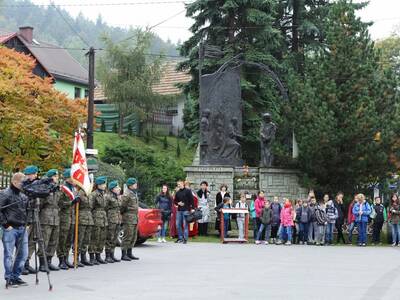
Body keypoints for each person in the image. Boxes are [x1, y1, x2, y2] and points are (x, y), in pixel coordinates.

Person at [0, 172, 29, 287]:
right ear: (14, 182)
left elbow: (26, 210)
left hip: (22, 228)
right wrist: (6, 224)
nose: (24, 184)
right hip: (10, 229)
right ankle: (9, 278)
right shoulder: (5, 193)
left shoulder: (23, 195)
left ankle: (15, 276)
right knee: (9, 255)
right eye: (22, 182)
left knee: (23, 254)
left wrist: (28, 223)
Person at [37, 169, 60, 272]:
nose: (57, 178)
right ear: (50, 177)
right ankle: (42, 263)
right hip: (45, 218)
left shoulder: (57, 189)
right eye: (55, 176)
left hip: (56, 218)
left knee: (53, 241)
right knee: (44, 241)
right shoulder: (45, 188)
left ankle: (49, 261)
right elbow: (39, 204)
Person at [57, 168, 76, 270]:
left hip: (71, 216)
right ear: (68, 178)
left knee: (69, 239)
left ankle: (66, 258)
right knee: (62, 239)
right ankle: (61, 260)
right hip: (63, 217)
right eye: (72, 177)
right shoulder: (63, 188)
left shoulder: (73, 188)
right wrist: (70, 203)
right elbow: (59, 203)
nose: (74, 179)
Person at [22, 165, 39, 275]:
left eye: (35, 174)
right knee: (23, 242)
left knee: (32, 241)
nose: (34, 176)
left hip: (34, 217)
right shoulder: (23, 187)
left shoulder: (37, 185)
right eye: (33, 174)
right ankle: (21, 264)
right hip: (25, 218)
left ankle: (27, 262)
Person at [89, 176, 108, 265]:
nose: (104, 185)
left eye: (105, 184)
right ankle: (92, 257)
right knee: (95, 238)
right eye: (103, 184)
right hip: (96, 217)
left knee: (102, 238)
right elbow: (90, 207)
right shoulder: (94, 194)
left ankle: (98, 255)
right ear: (98, 185)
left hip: (103, 218)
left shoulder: (104, 194)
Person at [120, 178, 140, 260]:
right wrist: (124, 214)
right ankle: (124, 254)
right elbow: (122, 206)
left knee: (133, 236)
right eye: (134, 184)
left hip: (134, 217)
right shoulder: (127, 194)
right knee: (127, 236)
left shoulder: (133, 193)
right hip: (128, 217)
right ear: (130, 185)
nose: (136, 185)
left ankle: (129, 252)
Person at [105, 180, 122, 263]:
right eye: (117, 187)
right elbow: (104, 208)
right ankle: (107, 256)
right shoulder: (108, 197)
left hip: (117, 220)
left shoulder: (117, 197)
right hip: (111, 220)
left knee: (115, 238)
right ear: (112, 189)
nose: (119, 188)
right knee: (109, 238)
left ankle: (112, 254)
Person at [77, 184, 94, 266]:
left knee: (86, 239)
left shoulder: (89, 193)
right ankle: (76, 258)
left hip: (89, 218)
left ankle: (83, 257)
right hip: (82, 218)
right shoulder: (80, 193)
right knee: (79, 239)